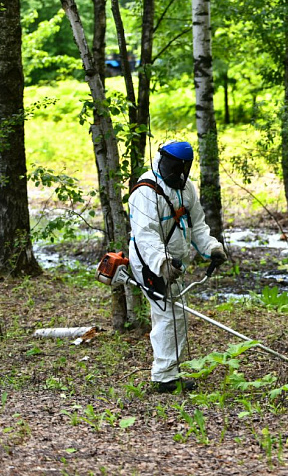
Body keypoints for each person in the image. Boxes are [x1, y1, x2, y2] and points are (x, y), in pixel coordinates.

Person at [128, 140, 227, 393]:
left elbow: (198, 225)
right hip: (149, 260)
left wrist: (211, 248)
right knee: (169, 314)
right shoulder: (146, 192)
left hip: (173, 261)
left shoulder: (186, 188)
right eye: (174, 167)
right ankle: (164, 377)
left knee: (175, 315)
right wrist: (161, 263)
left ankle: (168, 372)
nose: (178, 173)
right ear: (163, 161)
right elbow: (145, 235)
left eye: (183, 168)